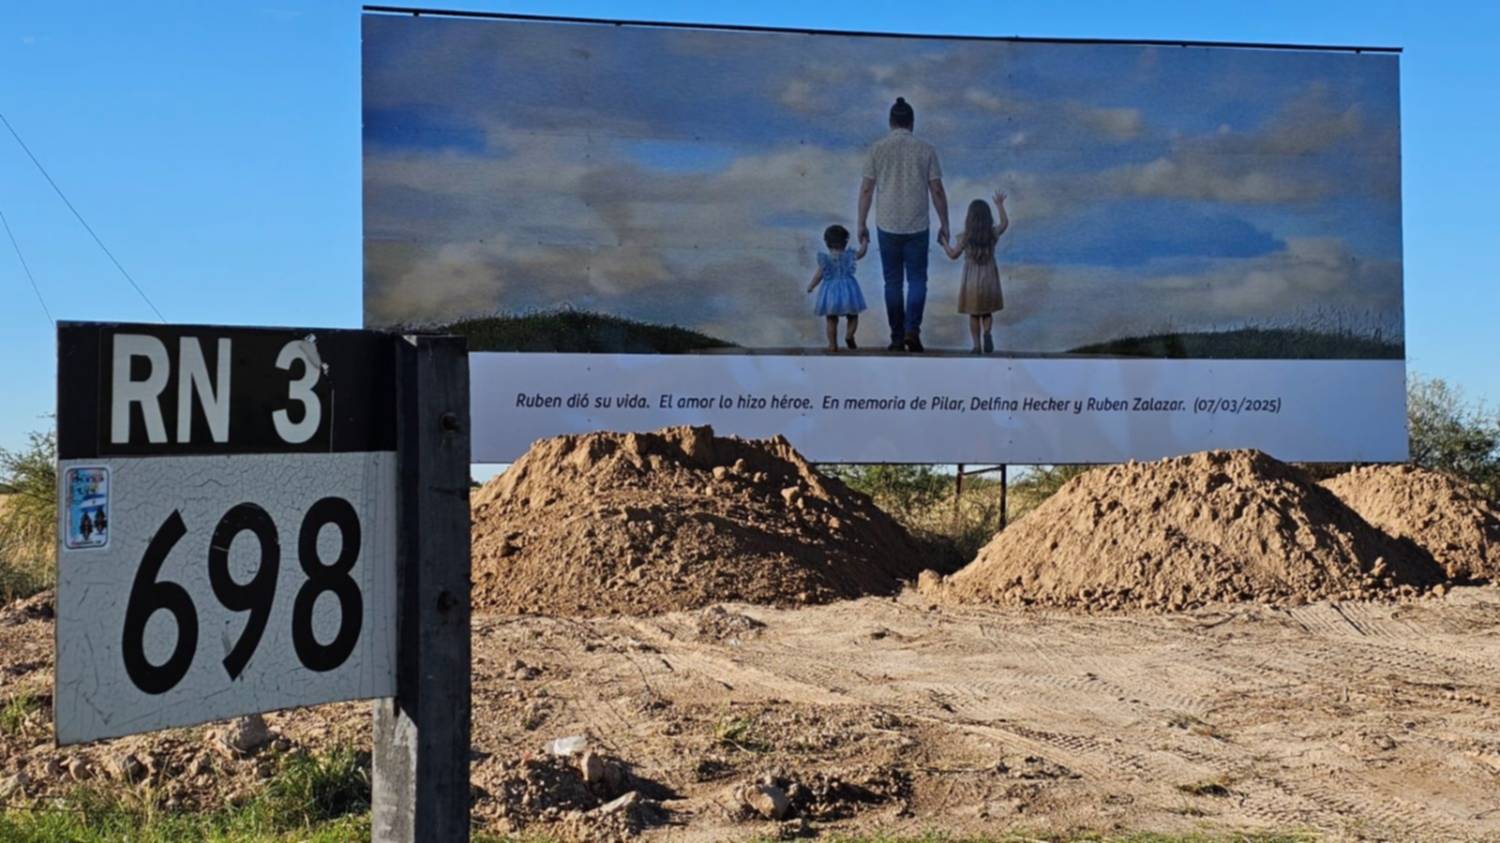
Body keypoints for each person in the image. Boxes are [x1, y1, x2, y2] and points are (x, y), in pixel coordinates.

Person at [856, 96, 950, 352]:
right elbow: (937, 190)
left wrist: (861, 222)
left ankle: (897, 337)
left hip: (887, 224)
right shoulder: (926, 150)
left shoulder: (877, 149)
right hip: (917, 224)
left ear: (890, 122)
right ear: (912, 122)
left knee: (892, 283)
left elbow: (866, 190)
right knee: (918, 280)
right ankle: (912, 331)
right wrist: (944, 223)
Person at [941, 191, 1010, 354]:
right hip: (989, 279)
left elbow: (953, 255)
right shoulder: (992, 234)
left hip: (971, 280)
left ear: (969, 218)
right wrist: (1000, 205)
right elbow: (1004, 223)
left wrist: (944, 242)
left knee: (974, 314)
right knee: (987, 311)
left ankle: (977, 346)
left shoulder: (965, 238)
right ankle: (987, 332)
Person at [806, 224, 868, 351]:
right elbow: (861, 253)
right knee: (853, 316)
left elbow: (819, 275)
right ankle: (849, 335)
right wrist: (865, 242)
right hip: (849, 290)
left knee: (831, 319)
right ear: (845, 242)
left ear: (827, 243)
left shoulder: (826, 259)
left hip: (831, 292)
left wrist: (811, 286)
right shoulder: (849, 256)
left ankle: (833, 345)